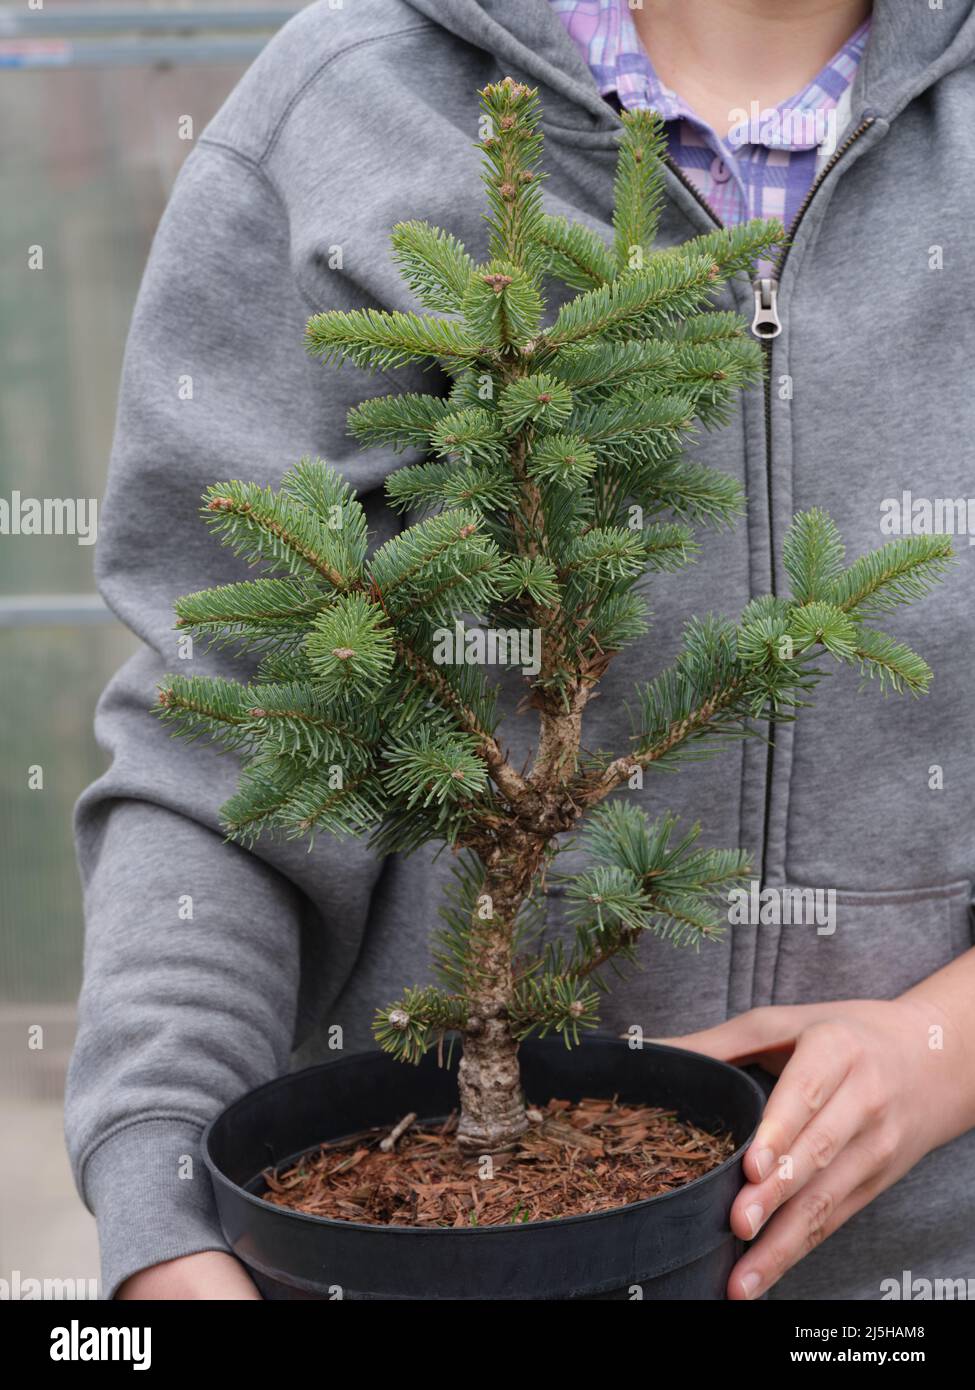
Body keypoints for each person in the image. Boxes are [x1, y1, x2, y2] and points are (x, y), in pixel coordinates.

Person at [66, 0, 975, 1301]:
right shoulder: (341, 109)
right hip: (426, 1255)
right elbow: (220, 740)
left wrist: (944, 1050)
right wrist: (163, 1215)